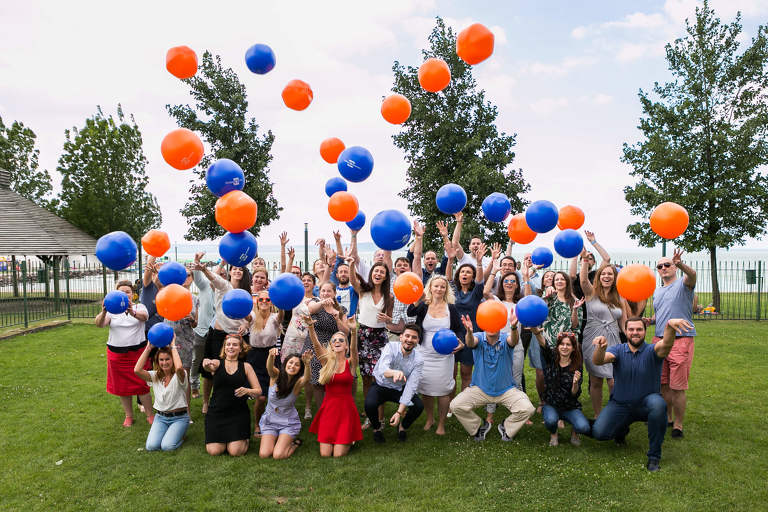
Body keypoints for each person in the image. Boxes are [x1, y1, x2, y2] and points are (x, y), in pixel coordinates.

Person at [591, 317, 693, 471]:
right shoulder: (618, 350)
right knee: (599, 433)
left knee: (658, 405)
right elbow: (598, 361)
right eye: (631, 329)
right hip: (621, 404)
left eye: (639, 329)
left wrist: (670, 327)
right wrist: (600, 348)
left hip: (646, 405)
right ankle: (622, 429)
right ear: (626, 332)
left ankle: (654, 457)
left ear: (645, 331)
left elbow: (666, 344)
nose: (635, 332)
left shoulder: (653, 350)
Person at [450, 314, 534, 441]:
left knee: (528, 409)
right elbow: (470, 342)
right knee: (456, 406)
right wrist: (469, 332)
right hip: (480, 389)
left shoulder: (506, 338)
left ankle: (506, 427)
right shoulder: (478, 337)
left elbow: (513, 341)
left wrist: (513, 327)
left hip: (506, 390)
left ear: (500, 326)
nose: (491, 328)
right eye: (489, 324)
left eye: (495, 324)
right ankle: (479, 426)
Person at [191, 254, 252, 414]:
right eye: (235, 269)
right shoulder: (224, 286)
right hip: (218, 335)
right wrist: (205, 269)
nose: (237, 271)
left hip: (239, 337)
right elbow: (214, 278)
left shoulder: (247, 292)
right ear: (230, 272)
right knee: (210, 372)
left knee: (238, 372)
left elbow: (251, 317)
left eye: (241, 269)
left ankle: (235, 402)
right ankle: (206, 402)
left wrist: (246, 324)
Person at [407, 274, 463, 435]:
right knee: (426, 389)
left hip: (444, 356)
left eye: (442, 286)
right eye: (436, 286)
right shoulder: (424, 305)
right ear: (430, 288)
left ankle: (441, 424)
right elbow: (410, 312)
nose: (439, 289)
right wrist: (418, 299)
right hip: (424, 354)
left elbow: (459, 328)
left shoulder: (451, 308)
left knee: (443, 390)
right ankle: (430, 418)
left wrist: (460, 342)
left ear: (446, 290)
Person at [95, 280, 153, 427]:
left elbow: (145, 317)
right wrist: (104, 311)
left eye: (128, 292)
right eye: (122, 292)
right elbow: (99, 324)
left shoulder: (140, 307)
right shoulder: (111, 311)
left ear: (133, 294)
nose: (125, 294)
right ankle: (129, 416)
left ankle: (150, 415)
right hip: (117, 355)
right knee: (122, 388)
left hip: (137, 353)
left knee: (142, 386)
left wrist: (132, 312)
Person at [653, 249, 697, 439]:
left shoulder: (683, 284)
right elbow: (662, 312)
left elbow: (693, 275)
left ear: (674, 268)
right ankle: (668, 418)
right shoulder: (657, 291)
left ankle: (678, 425)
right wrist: (650, 320)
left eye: (667, 265)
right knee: (663, 384)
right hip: (660, 340)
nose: (663, 268)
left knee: (677, 386)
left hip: (681, 339)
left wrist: (680, 263)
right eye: (659, 266)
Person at [524, 268, 583, 409]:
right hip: (548, 344)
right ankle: (545, 402)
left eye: (562, 279)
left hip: (567, 346)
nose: (559, 281)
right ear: (553, 282)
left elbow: (575, 325)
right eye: (557, 279)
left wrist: (575, 309)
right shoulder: (550, 297)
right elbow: (535, 306)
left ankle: (566, 405)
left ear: (567, 282)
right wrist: (547, 293)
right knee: (548, 375)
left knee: (567, 377)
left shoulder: (574, 301)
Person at [579, 252, 628, 417]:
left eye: (610, 274)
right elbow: (583, 280)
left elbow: (624, 323)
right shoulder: (591, 293)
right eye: (603, 274)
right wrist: (585, 260)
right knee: (596, 381)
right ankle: (598, 414)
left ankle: (614, 413)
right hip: (593, 339)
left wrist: (633, 339)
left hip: (614, 339)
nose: (606, 277)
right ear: (599, 277)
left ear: (615, 277)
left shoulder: (620, 297)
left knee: (614, 381)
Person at [306, 316, 362, 457]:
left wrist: (353, 331)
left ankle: (349, 437)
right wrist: (311, 327)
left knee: (338, 454)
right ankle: (342, 438)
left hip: (346, 410)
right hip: (329, 410)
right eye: (334, 340)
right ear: (331, 345)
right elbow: (316, 345)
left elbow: (354, 350)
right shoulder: (327, 362)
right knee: (325, 454)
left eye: (341, 340)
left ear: (346, 346)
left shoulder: (351, 363)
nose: (337, 341)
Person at [349, 258, 393, 427]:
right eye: (376, 271)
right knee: (366, 378)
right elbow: (353, 279)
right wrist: (351, 264)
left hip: (379, 338)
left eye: (382, 272)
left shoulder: (389, 297)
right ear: (372, 273)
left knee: (379, 378)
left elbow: (390, 320)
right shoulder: (363, 291)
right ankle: (370, 416)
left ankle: (380, 419)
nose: (378, 274)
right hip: (363, 336)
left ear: (385, 277)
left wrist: (388, 319)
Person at [202, 334, 262, 456]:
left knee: (235, 452)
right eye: (228, 344)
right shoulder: (217, 364)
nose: (231, 347)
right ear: (224, 348)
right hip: (217, 413)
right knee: (214, 451)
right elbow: (208, 366)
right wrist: (206, 363)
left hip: (238, 414)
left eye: (235, 345)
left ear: (240, 349)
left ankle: (244, 438)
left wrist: (247, 391)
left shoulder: (246, 367)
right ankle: (227, 439)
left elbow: (259, 391)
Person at [365, 323, 425, 443]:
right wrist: (394, 373)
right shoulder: (390, 347)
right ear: (401, 337)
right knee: (369, 405)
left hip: (399, 388)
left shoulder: (419, 360)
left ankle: (402, 427)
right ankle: (377, 428)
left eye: (414, 337)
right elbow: (382, 369)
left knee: (418, 406)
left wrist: (399, 412)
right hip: (381, 385)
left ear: (418, 340)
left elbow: (411, 386)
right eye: (407, 336)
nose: (410, 340)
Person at [530, 329, 590, 446]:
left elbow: (575, 393)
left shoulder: (576, 365)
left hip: (570, 407)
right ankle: (554, 434)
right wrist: (537, 333)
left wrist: (575, 383)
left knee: (583, 427)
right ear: (558, 346)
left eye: (568, 344)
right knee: (551, 421)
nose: (564, 347)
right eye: (562, 344)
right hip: (551, 404)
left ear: (573, 348)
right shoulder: (551, 358)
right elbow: (544, 345)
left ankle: (575, 432)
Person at [482, 264, 525, 424]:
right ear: (502, 284)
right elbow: (485, 292)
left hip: (516, 345)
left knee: (516, 379)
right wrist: (494, 271)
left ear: (517, 285)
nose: (509, 283)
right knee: (494, 379)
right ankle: (490, 415)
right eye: (506, 281)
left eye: (513, 281)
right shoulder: (497, 301)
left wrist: (527, 277)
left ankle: (520, 411)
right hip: (498, 345)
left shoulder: (521, 304)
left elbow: (529, 297)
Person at [133, 339, 190, 451]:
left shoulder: (180, 375)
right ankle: (171, 433)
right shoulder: (155, 376)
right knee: (151, 446)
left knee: (167, 447)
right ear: (158, 361)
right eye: (161, 360)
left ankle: (182, 436)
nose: (164, 363)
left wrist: (173, 346)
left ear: (173, 360)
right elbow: (137, 370)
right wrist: (148, 348)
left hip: (179, 418)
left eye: (167, 359)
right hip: (160, 418)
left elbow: (179, 367)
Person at [258, 348, 312, 459]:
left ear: (300, 369)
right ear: (285, 363)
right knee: (264, 454)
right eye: (290, 362)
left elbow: (307, 378)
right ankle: (279, 440)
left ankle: (294, 444)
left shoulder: (297, 383)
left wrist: (307, 364)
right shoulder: (276, 376)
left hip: (287, 423)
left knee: (278, 455)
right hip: (270, 421)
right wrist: (271, 355)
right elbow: (269, 367)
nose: (292, 366)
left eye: (297, 365)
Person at [448, 242, 487, 393]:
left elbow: (480, 282)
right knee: (451, 375)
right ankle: (451, 403)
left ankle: (463, 403)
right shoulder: (453, 291)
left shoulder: (476, 293)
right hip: (453, 335)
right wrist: (450, 260)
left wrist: (479, 263)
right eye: (462, 272)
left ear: (472, 277)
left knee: (466, 374)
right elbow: (448, 278)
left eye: (468, 272)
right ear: (459, 275)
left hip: (470, 335)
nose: (464, 274)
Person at [307, 281, 350, 408]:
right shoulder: (314, 304)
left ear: (334, 293)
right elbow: (310, 309)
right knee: (318, 382)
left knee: (333, 379)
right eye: (323, 291)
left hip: (334, 347)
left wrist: (337, 318)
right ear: (319, 293)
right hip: (316, 345)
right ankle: (322, 409)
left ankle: (335, 407)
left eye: (329, 291)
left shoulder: (341, 309)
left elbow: (346, 332)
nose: (325, 293)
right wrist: (323, 302)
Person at [281, 272, 317, 418]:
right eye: (303, 280)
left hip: (308, 339)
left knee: (308, 373)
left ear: (314, 284)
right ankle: (287, 404)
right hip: (292, 338)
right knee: (288, 371)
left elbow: (312, 310)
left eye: (309, 280)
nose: (306, 282)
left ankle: (308, 407)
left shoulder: (316, 300)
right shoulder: (295, 298)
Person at [248, 290, 283, 437]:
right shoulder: (252, 316)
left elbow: (281, 316)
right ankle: (257, 424)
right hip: (255, 357)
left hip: (272, 355)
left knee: (274, 395)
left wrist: (281, 303)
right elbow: (246, 316)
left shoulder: (275, 317)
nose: (264, 301)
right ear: (257, 302)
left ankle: (275, 423)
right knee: (261, 397)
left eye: (267, 299)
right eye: (261, 299)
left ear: (271, 302)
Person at [163, 267, 198, 417]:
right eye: (182, 275)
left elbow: (195, 324)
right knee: (167, 374)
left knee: (184, 375)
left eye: (188, 275)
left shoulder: (194, 298)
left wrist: (192, 319)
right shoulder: (167, 294)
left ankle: (186, 412)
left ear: (192, 278)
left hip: (185, 340)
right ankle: (167, 408)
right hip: (168, 338)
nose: (185, 278)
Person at [191, 253, 220, 400]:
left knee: (216, 360)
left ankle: (217, 389)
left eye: (221, 276)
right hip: (201, 331)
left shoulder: (224, 291)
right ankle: (194, 385)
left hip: (217, 332)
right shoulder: (204, 287)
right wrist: (196, 261)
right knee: (197, 359)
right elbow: (197, 276)